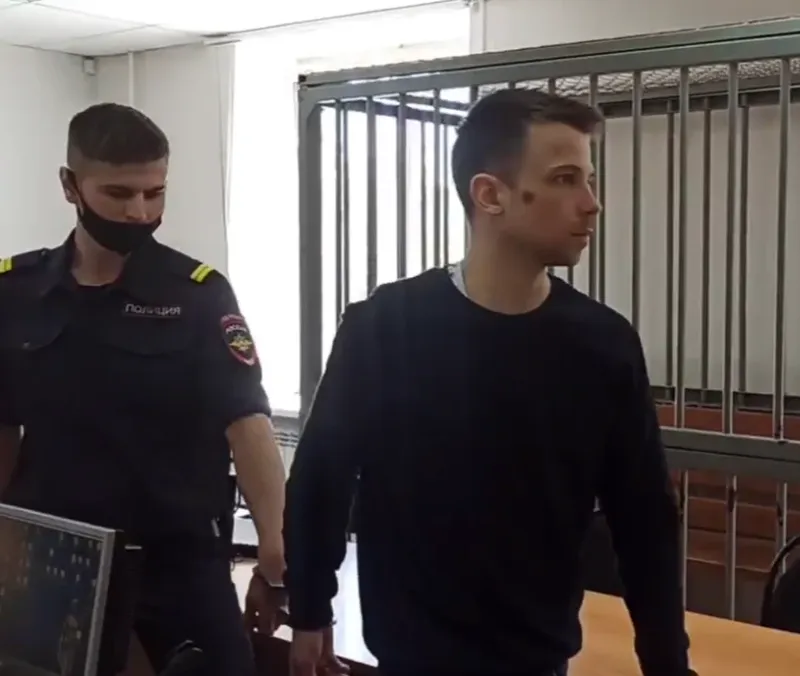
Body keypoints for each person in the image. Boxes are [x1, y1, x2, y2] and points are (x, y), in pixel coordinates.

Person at [283, 88, 694, 676]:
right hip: (410, 658)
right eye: (564, 179)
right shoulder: (386, 327)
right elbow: (322, 476)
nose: (591, 203)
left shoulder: (602, 345)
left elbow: (644, 516)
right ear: (490, 194)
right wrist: (309, 608)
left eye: (589, 180)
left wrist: (666, 660)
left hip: (538, 659)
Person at [0, 103, 288, 676]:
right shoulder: (15, 292)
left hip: (178, 562)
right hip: (59, 561)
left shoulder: (197, 294)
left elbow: (248, 425)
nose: (140, 212)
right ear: (70, 186)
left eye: (155, 194)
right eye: (119, 194)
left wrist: (277, 558)